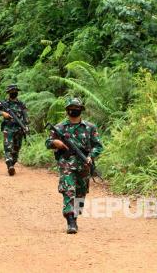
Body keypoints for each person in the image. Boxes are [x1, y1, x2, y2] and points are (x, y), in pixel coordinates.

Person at [45, 97, 103, 234]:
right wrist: (55, 143)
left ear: (81, 110)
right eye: (71, 108)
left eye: (76, 109)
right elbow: (48, 143)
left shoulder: (90, 127)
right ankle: (71, 220)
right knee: (68, 189)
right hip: (66, 164)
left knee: (81, 193)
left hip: (84, 164)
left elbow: (98, 146)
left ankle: (75, 215)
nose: (73, 111)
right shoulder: (59, 128)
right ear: (67, 110)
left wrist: (90, 156)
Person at [0, 84, 30, 176]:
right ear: (8, 93)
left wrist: (26, 126)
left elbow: (26, 117)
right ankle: (9, 165)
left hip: (19, 129)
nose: (14, 93)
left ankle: (12, 164)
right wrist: (2, 113)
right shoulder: (3, 103)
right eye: (12, 91)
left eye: (15, 91)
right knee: (8, 146)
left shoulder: (21, 104)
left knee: (17, 148)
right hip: (8, 128)